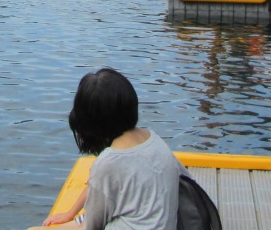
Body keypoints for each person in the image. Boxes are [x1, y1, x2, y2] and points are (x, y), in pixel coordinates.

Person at [35, 68, 184, 229]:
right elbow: (98, 187)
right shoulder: (153, 139)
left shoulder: (110, 162)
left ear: (91, 121)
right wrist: (70, 214)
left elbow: (91, 226)